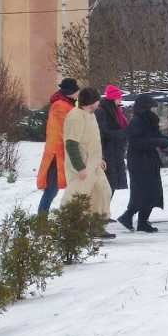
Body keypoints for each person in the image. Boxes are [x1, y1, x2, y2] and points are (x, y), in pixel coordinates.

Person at [118, 93, 168, 233]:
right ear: (144, 107)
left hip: (149, 159)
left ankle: (140, 222)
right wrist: (158, 142)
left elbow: (156, 136)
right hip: (139, 161)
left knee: (152, 191)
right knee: (142, 191)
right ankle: (129, 217)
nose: (154, 109)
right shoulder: (136, 122)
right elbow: (137, 141)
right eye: (152, 107)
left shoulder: (149, 121)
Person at [61, 87, 115, 239]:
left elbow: (92, 141)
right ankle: (67, 226)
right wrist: (80, 167)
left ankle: (97, 226)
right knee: (76, 196)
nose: (99, 102)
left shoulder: (90, 115)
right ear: (92, 102)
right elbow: (71, 143)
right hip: (81, 166)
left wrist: (100, 158)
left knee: (103, 191)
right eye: (98, 100)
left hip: (94, 164)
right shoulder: (76, 116)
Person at [37, 77, 81, 213]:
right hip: (57, 153)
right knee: (51, 189)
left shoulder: (67, 104)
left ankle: (42, 219)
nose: (78, 93)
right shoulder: (61, 105)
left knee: (53, 188)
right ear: (70, 92)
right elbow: (65, 129)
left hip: (62, 152)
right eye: (76, 91)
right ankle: (42, 220)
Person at [94, 85, 128, 215]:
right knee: (107, 185)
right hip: (107, 152)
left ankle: (105, 212)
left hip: (115, 151)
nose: (120, 100)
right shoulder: (102, 111)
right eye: (118, 98)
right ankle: (101, 212)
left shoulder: (115, 111)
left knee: (111, 184)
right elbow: (104, 132)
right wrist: (122, 133)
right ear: (113, 98)